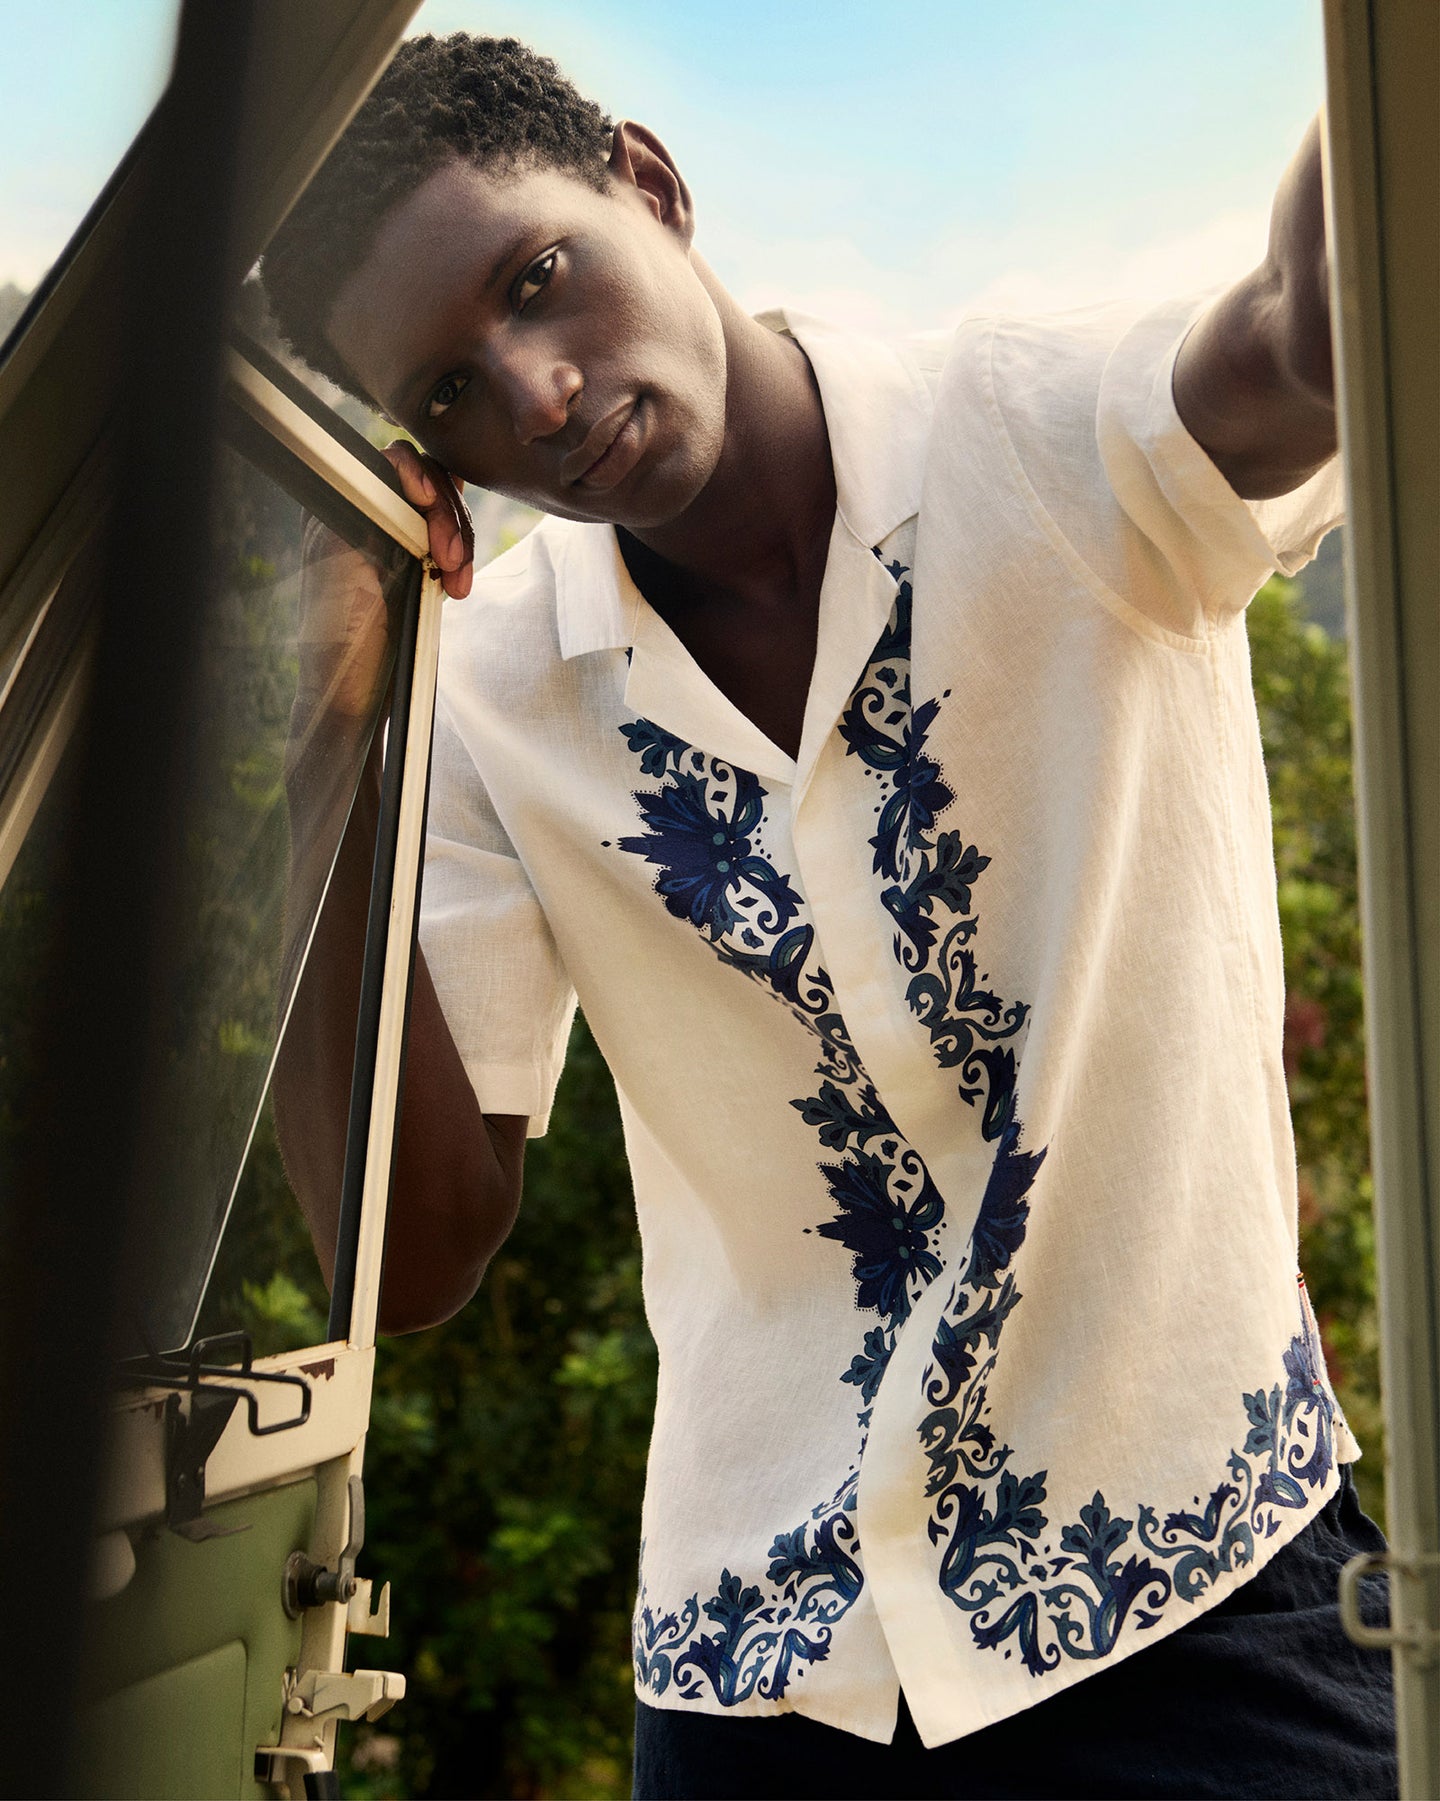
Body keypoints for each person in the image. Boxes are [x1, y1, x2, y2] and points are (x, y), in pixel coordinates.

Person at [262, 33, 1396, 1800]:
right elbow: (410, 1258)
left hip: (1203, 1590)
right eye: (451, 399)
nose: (537, 401)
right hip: (766, 1686)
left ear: (647, 180)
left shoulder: (1042, 428)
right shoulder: (486, 700)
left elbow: (1320, 321)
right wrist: (329, 732)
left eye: (538, 282)